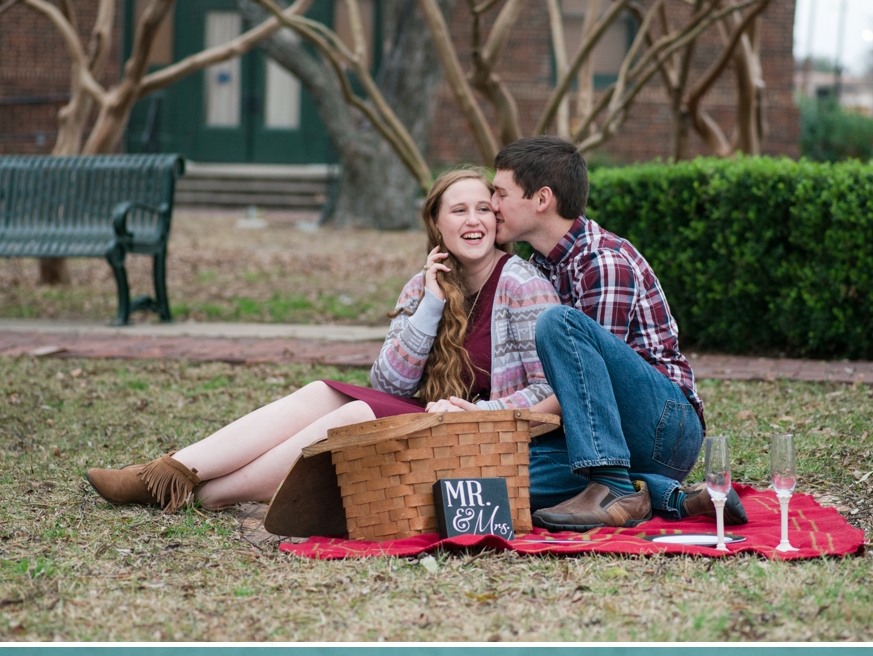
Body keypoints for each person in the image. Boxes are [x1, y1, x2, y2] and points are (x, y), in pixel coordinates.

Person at [85, 168, 559, 513]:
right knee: (322, 392)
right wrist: (431, 304)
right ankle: (169, 474)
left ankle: (211, 492)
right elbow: (390, 383)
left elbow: (547, 393)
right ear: (437, 224)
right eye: (459, 210)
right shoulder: (424, 285)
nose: (474, 220)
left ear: (498, 223)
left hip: (485, 438)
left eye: (483, 209)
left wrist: (477, 412)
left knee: (356, 414)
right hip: (429, 427)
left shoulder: (521, 284)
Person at [488, 136, 747, 531]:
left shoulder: (602, 261)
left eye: (500, 193)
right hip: (604, 435)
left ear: (542, 199)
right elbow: (588, 410)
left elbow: (592, 387)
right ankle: (667, 496)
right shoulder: (538, 265)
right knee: (501, 477)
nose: (493, 205)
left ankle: (610, 485)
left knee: (559, 323)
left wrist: (508, 423)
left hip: (665, 427)